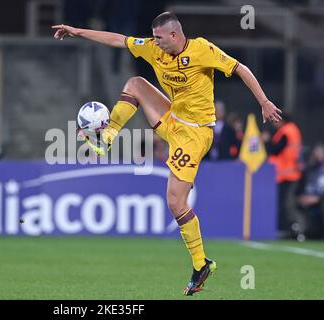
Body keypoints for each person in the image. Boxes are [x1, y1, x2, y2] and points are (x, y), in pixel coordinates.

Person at [52, 12, 282, 296]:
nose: (155, 43)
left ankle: (201, 263)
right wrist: (77, 30)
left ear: (174, 35)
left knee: (175, 202)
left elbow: (241, 69)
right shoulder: (153, 48)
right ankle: (106, 138)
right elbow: (118, 40)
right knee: (135, 83)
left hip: (196, 134)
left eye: (159, 38)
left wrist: (264, 101)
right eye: (154, 38)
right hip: (174, 119)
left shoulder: (202, 50)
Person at [262, 114, 302, 238]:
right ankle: (292, 230)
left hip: (287, 175)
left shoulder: (286, 131)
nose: (274, 123)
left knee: (287, 204)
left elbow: (275, 150)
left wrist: (267, 141)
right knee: (287, 203)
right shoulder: (293, 129)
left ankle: (294, 230)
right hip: (290, 173)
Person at [296, 143, 324, 239]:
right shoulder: (308, 170)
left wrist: (318, 199)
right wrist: (301, 197)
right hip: (308, 199)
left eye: (319, 153)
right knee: (293, 203)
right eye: (315, 153)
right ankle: (300, 232)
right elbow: (300, 188)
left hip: (320, 200)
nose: (317, 155)